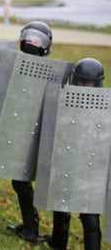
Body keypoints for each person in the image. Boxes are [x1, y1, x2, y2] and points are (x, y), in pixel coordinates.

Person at [43, 58, 105, 250]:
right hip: (66, 160)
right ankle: (58, 243)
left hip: (92, 167)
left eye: (90, 84)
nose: (85, 87)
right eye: (82, 82)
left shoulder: (104, 107)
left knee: (90, 217)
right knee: (61, 207)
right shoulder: (63, 99)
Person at [6, 20, 53, 242]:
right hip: (18, 130)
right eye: (30, 38)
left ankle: (32, 229)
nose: (32, 43)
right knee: (18, 181)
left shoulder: (50, 72)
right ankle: (29, 224)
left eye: (38, 40)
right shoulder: (15, 65)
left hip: (38, 134)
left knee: (24, 181)